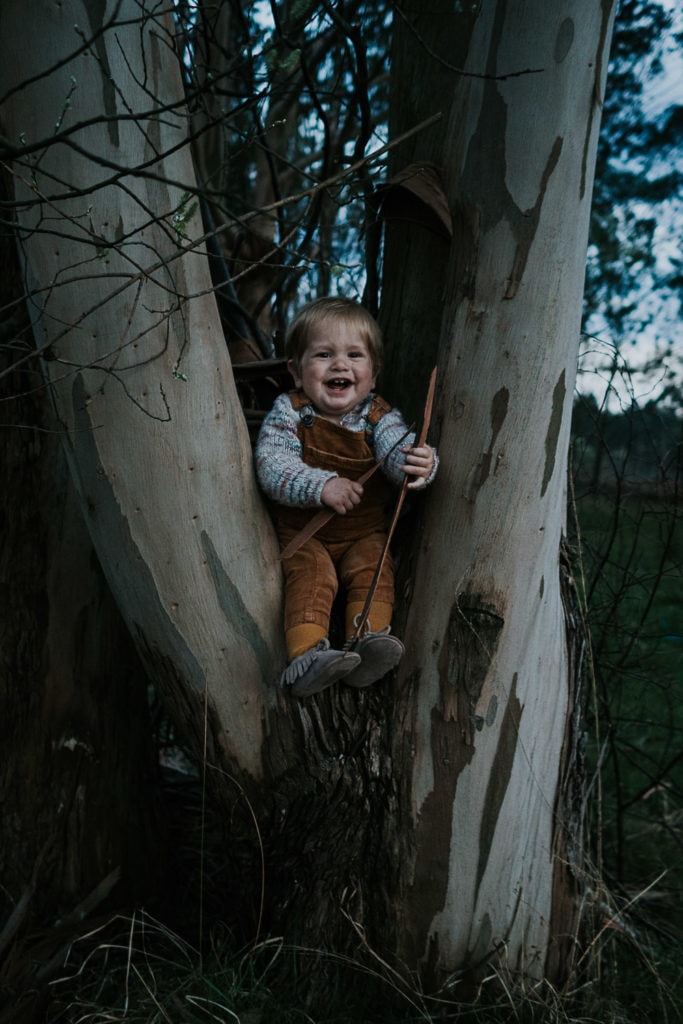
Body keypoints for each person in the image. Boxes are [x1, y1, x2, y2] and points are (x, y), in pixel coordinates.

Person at [255, 296, 437, 697]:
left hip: (363, 533)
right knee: (312, 577)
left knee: (374, 568)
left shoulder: (378, 417)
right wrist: (321, 485)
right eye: (323, 354)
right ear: (296, 372)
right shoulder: (289, 412)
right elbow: (271, 466)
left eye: (354, 355)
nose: (340, 365)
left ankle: (367, 644)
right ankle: (307, 657)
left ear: (372, 376)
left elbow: (397, 452)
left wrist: (419, 465)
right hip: (306, 534)